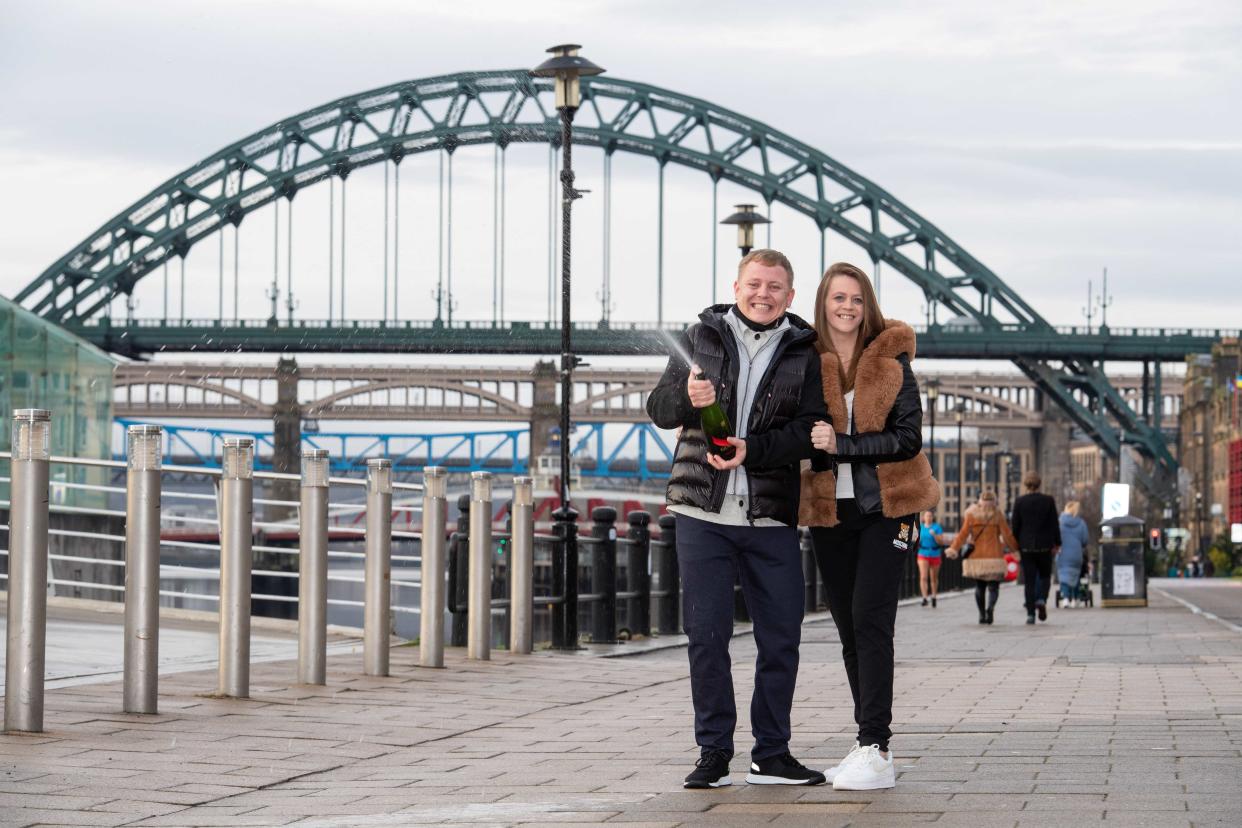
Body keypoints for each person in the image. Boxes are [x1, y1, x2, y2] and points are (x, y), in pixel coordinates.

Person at [647, 249, 828, 789]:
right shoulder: (701, 336)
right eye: (755, 284)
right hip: (702, 511)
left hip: (770, 516)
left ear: (790, 296)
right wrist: (687, 396)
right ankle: (714, 752)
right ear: (737, 285)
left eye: (775, 287)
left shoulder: (804, 351)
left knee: (781, 639)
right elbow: (659, 408)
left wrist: (755, 449)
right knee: (706, 636)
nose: (763, 294)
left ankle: (771, 753)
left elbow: (811, 431)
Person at [799, 261, 940, 791]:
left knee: (870, 618)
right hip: (828, 511)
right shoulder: (806, 361)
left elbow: (908, 438)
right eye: (838, 298)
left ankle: (877, 747)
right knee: (848, 629)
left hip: (890, 507)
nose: (847, 307)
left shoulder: (892, 360)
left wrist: (845, 446)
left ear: (868, 305)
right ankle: (866, 743)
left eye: (857, 299)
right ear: (823, 303)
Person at [947, 490, 1020, 625]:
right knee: (993, 587)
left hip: (977, 557)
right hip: (995, 557)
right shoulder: (997, 514)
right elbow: (1007, 535)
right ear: (994, 501)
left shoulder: (971, 514)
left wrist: (953, 548)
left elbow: (963, 534)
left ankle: (981, 614)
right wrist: (1015, 550)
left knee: (980, 587)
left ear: (979, 501)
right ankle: (990, 608)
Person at [1010, 471, 1061, 624]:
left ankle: (1031, 614)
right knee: (1045, 576)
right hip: (1045, 546)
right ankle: (1041, 599)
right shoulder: (1048, 501)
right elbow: (1054, 524)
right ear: (1039, 485)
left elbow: (1015, 526)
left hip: (1026, 547)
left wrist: (1016, 545)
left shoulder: (1020, 502)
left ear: (1026, 485)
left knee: (1029, 581)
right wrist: (1057, 543)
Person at [1056, 501, 1090, 607]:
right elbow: (1085, 540)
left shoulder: (1059, 522)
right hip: (1076, 554)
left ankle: (1065, 598)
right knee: (1075, 575)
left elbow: (1055, 538)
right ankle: (1075, 598)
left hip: (1062, 553)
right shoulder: (1081, 523)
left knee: (1064, 575)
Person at [917, 510, 945, 607]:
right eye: (927, 516)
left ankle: (934, 596)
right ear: (924, 518)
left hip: (935, 553)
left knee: (933, 578)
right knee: (923, 577)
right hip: (923, 553)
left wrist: (935, 535)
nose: (928, 518)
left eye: (930, 516)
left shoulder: (937, 527)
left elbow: (941, 542)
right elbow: (917, 540)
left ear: (932, 517)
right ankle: (924, 598)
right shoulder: (920, 527)